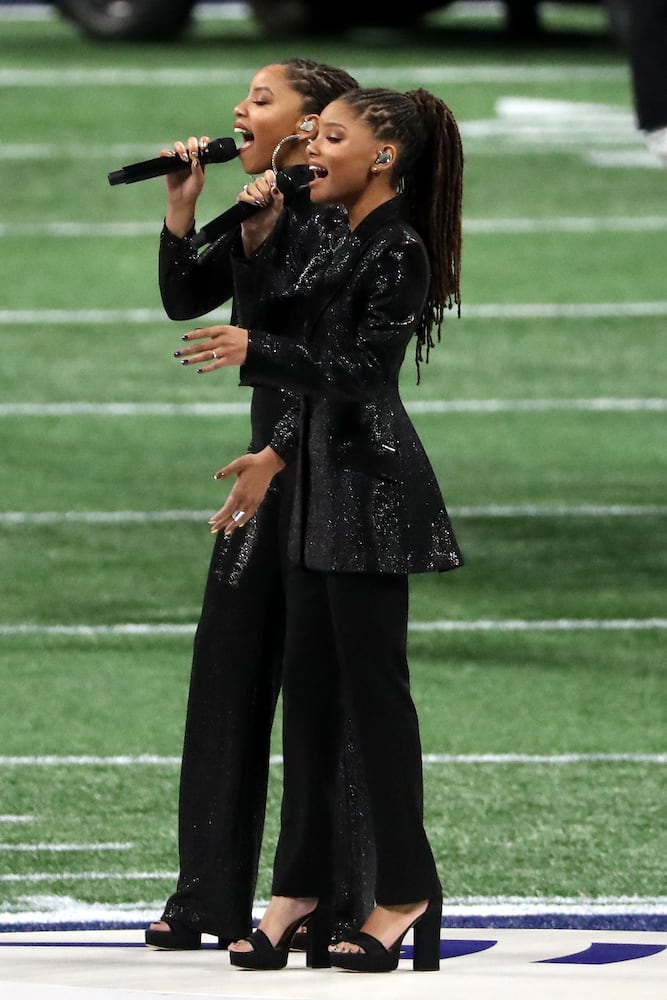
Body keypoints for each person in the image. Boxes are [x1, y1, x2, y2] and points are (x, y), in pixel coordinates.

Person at [175, 85, 465, 972]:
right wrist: (240, 228)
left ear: (382, 157)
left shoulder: (397, 249)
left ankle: (406, 891)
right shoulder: (332, 233)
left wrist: (254, 350)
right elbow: (278, 327)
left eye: (330, 138)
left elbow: (361, 373)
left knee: (375, 705)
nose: (311, 152)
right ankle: (297, 888)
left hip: (373, 496)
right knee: (306, 702)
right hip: (313, 488)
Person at [145, 59, 376, 955]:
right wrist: (182, 205)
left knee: (329, 697)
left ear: (314, 123)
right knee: (226, 679)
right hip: (264, 467)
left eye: (261, 100)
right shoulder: (264, 204)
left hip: (319, 471)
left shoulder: (342, 220)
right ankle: (206, 894)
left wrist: (279, 456)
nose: (237, 111)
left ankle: (337, 898)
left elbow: (336, 360)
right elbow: (182, 298)